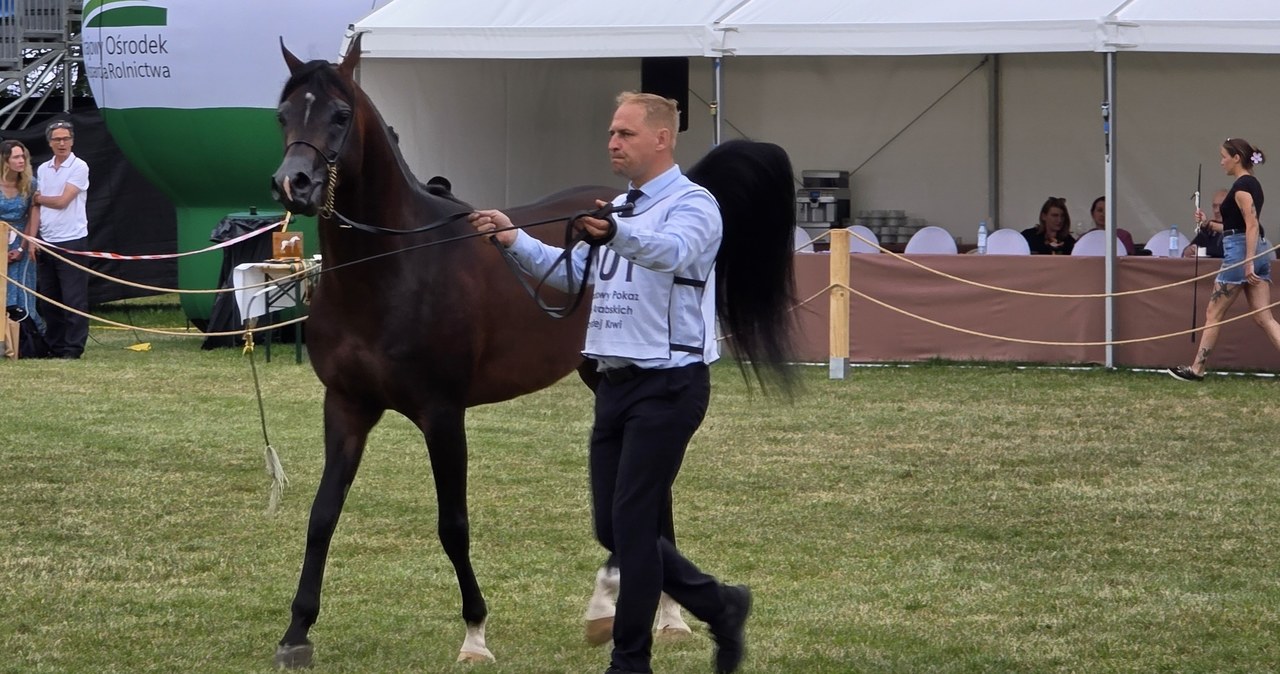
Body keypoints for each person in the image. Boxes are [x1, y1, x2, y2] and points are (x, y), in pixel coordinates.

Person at [469, 91, 752, 674]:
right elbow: (577, 269)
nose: (612, 142)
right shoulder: (620, 206)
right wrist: (512, 239)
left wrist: (613, 234)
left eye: (624, 133)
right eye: (611, 132)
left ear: (661, 139)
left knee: (631, 524)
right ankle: (720, 605)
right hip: (615, 382)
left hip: (670, 383)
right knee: (615, 526)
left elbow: (672, 253)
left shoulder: (694, 205)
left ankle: (630, 662)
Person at [1168, 138, 1280, 382]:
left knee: (1213, 313)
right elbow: (1236, 227)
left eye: (1223, 157)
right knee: (1264, 318)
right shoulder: (1252, 184)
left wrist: (1248, 262)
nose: (1221, 162)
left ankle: (1197, 369)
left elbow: (1251, 225)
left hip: (1242, 255)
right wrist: (1207, 222)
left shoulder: (1241, 187)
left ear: (1236, 158)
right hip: (1253, 249)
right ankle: (1197, 368)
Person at [34, 119, 90, 359]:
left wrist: (38, 198)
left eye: (66, 138)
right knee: (49, 299)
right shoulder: (43, 169)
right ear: (50, 142)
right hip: (47, 240)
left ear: (72, 140)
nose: (62, 143)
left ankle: (73, 347)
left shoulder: (80, 166)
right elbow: (45, 204)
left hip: (72, 240)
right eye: (57, 139)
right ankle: (54, 345)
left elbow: (62, 201)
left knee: (73, 298)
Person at [2, 139, 42, 330]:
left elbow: (32, 214)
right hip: (0, 239)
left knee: (22, 287)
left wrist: (22, 246)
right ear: (5, 160)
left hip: (21, 240)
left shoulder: (30, 184)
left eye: (23, 157)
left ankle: (26, 334)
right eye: (16, 157)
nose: (21, 161)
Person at [1182, 188, 1227, 259]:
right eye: (1214, 206)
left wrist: (1200, 251)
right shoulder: (1208, 228)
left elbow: (1221, 251)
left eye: (1221, 206)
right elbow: (1188, 250)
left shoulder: (1236, 226)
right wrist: (1190, 250)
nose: (1217, 210)